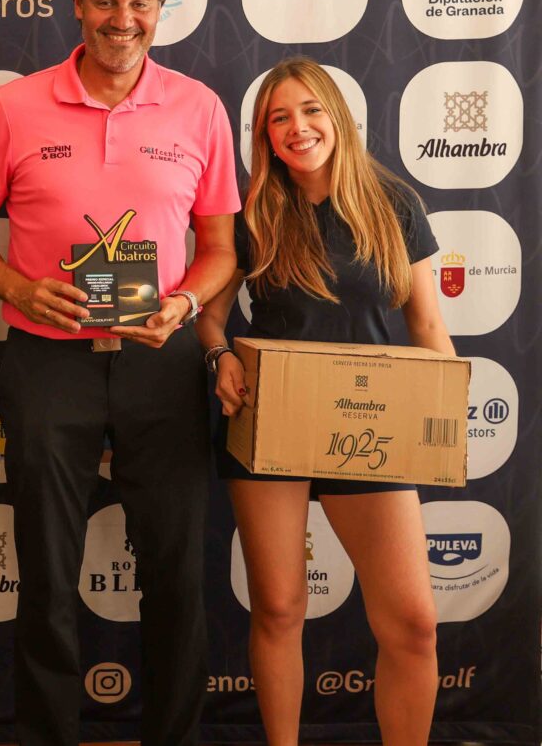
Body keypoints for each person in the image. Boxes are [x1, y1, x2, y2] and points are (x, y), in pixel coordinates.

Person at [0, 0, 240, 746]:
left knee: (176, 574)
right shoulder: (13, 107)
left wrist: (186, 305)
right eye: (106, 0)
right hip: (47, 362)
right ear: (77, 5)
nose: (123, 18)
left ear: (160, 10)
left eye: (140, 2)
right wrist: (18, 287)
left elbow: (222, 248)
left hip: (161, 362)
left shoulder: (200, 108)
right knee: (47, 574)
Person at [196, 56, 452, 746]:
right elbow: (210, 318)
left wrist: (442, 419)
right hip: (269, 422)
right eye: (278, 118)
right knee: (279, 609)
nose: (297, 127)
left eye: (310, 110)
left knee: (414, 624)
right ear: (264, 135)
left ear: (336, 115)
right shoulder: (252, 212)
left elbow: (429, 327)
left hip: (371, 426)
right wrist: (220, 358)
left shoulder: (394, 204)